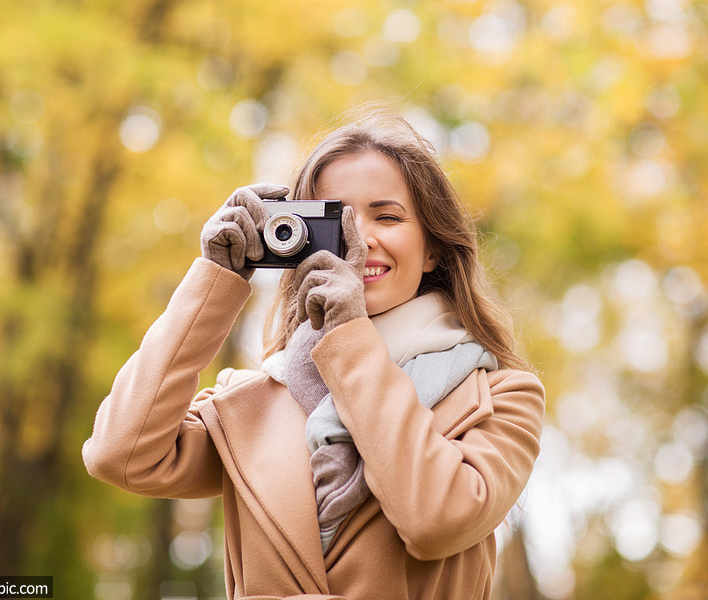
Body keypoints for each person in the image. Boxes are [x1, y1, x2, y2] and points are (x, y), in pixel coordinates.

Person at [82, 110, 545, 600]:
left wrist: (347, 335)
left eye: (386, 216)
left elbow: (435, 519)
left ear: (432, 250)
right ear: (293, 240)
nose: (358, 241)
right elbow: (121, 456)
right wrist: (214, 280)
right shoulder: (250, 403)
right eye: (334, 219)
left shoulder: (500, 398)